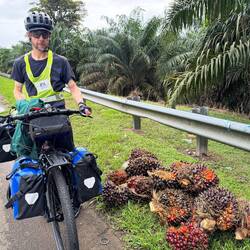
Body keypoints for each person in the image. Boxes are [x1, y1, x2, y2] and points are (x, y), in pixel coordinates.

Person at [11, 11, 90, 217]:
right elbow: (17, 90)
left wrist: (81, 104)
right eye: (36, 34)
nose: (41, 39)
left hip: (58, 113)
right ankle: (45, 199)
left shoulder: (60, 61)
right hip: (34, 115)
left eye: (45, 35)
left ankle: (72, 195)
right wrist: (24, 106)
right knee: (36, 160)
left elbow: (73, 87)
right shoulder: (21, 63)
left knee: (68, 154)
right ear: (29, 35)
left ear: (49, 36)